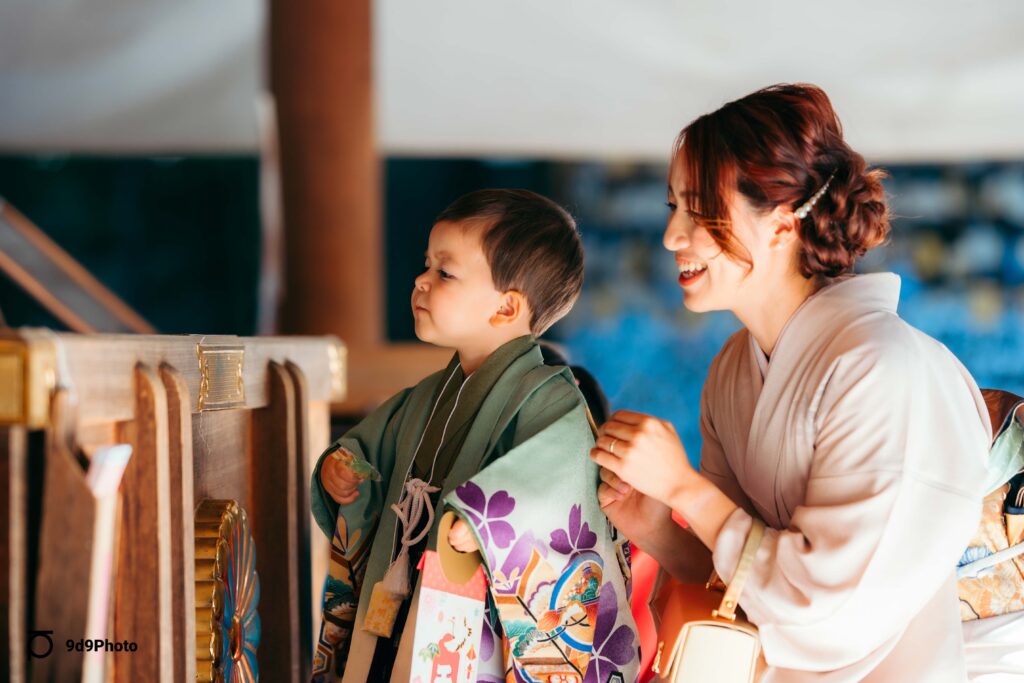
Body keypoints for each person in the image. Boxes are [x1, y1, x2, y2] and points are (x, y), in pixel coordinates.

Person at [591, 84, 992, 681]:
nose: (673, 236)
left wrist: (686, 490)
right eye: (670, 207)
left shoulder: (884, 368)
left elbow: (824, 613)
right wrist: (655, 524)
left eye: (697, 210)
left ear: (781, 226)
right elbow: (738, 584)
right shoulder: (733, 368)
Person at [311, 189, 639, 683]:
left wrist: (487, 523)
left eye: (444, 272)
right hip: (400, 596)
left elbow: (558, 490)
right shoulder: (428, 396)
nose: (421, 280)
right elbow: (367, 452)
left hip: (475, 612)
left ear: (507, 308)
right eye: (426, 265)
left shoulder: (554, 402)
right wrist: (342, 468)